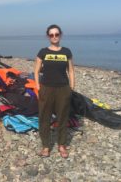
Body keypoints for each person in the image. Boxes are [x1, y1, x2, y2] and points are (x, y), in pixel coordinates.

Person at [34, 24, 75, 159]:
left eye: (56, 34)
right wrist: (38, 86)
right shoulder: (43, 52)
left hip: (63, 89)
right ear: (48, 36)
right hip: (46, 88)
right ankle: (46, 146)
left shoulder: (66, 52)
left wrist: (71, 87)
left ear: (60, 35)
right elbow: (36, 70)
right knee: (44, 117)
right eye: (51, 35)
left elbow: (71, 71)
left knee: (62, 117)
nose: (54, 37)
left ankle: (61, 145)